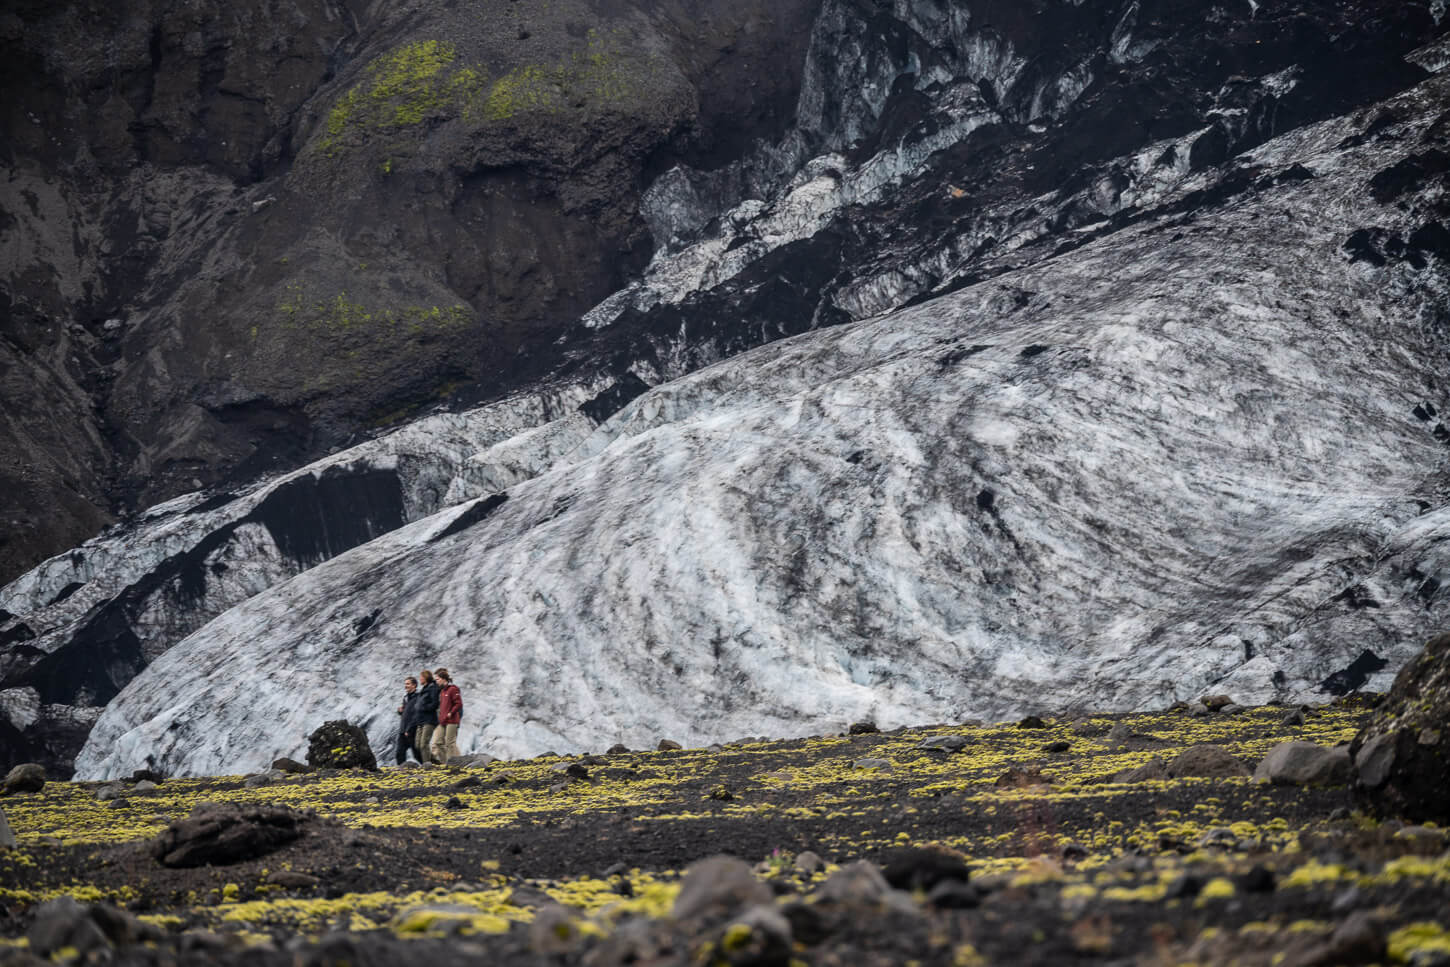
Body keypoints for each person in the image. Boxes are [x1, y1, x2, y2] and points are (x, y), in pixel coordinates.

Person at [431, 667, 462, 764]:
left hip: (452, 720)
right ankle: (445, 763)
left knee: (450, 743)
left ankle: (455, 764)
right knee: (437, 742)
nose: (436, 682)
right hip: (442, 721)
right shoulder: (442, 691)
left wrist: (451, 713)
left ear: (444, 679)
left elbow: (458, 703)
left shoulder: (453, 689)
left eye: (437, 679)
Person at [415, 669, 440, 763]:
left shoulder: (433, 688)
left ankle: (427, 766)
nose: (420, 679)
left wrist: (423, 707)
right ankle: (435, 762)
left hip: (429, 720)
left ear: (426, 678)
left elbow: (435, 704)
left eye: (421, 677)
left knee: (423, 744)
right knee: (417, 745)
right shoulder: (424, 689)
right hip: (420, 720)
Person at [394, 676, 421, 765]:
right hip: (403, 730)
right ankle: (401, 771)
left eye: (408, 684)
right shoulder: (406, 698)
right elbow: (406, 713)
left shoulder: (418, 697)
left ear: (414, 685)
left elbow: (416, 715)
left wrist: (409, 729)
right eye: (405, 684)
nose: (406, 686)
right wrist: (400, 711)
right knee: (399, 753)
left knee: (418, 754)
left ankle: (431, 767)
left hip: (412, 730)